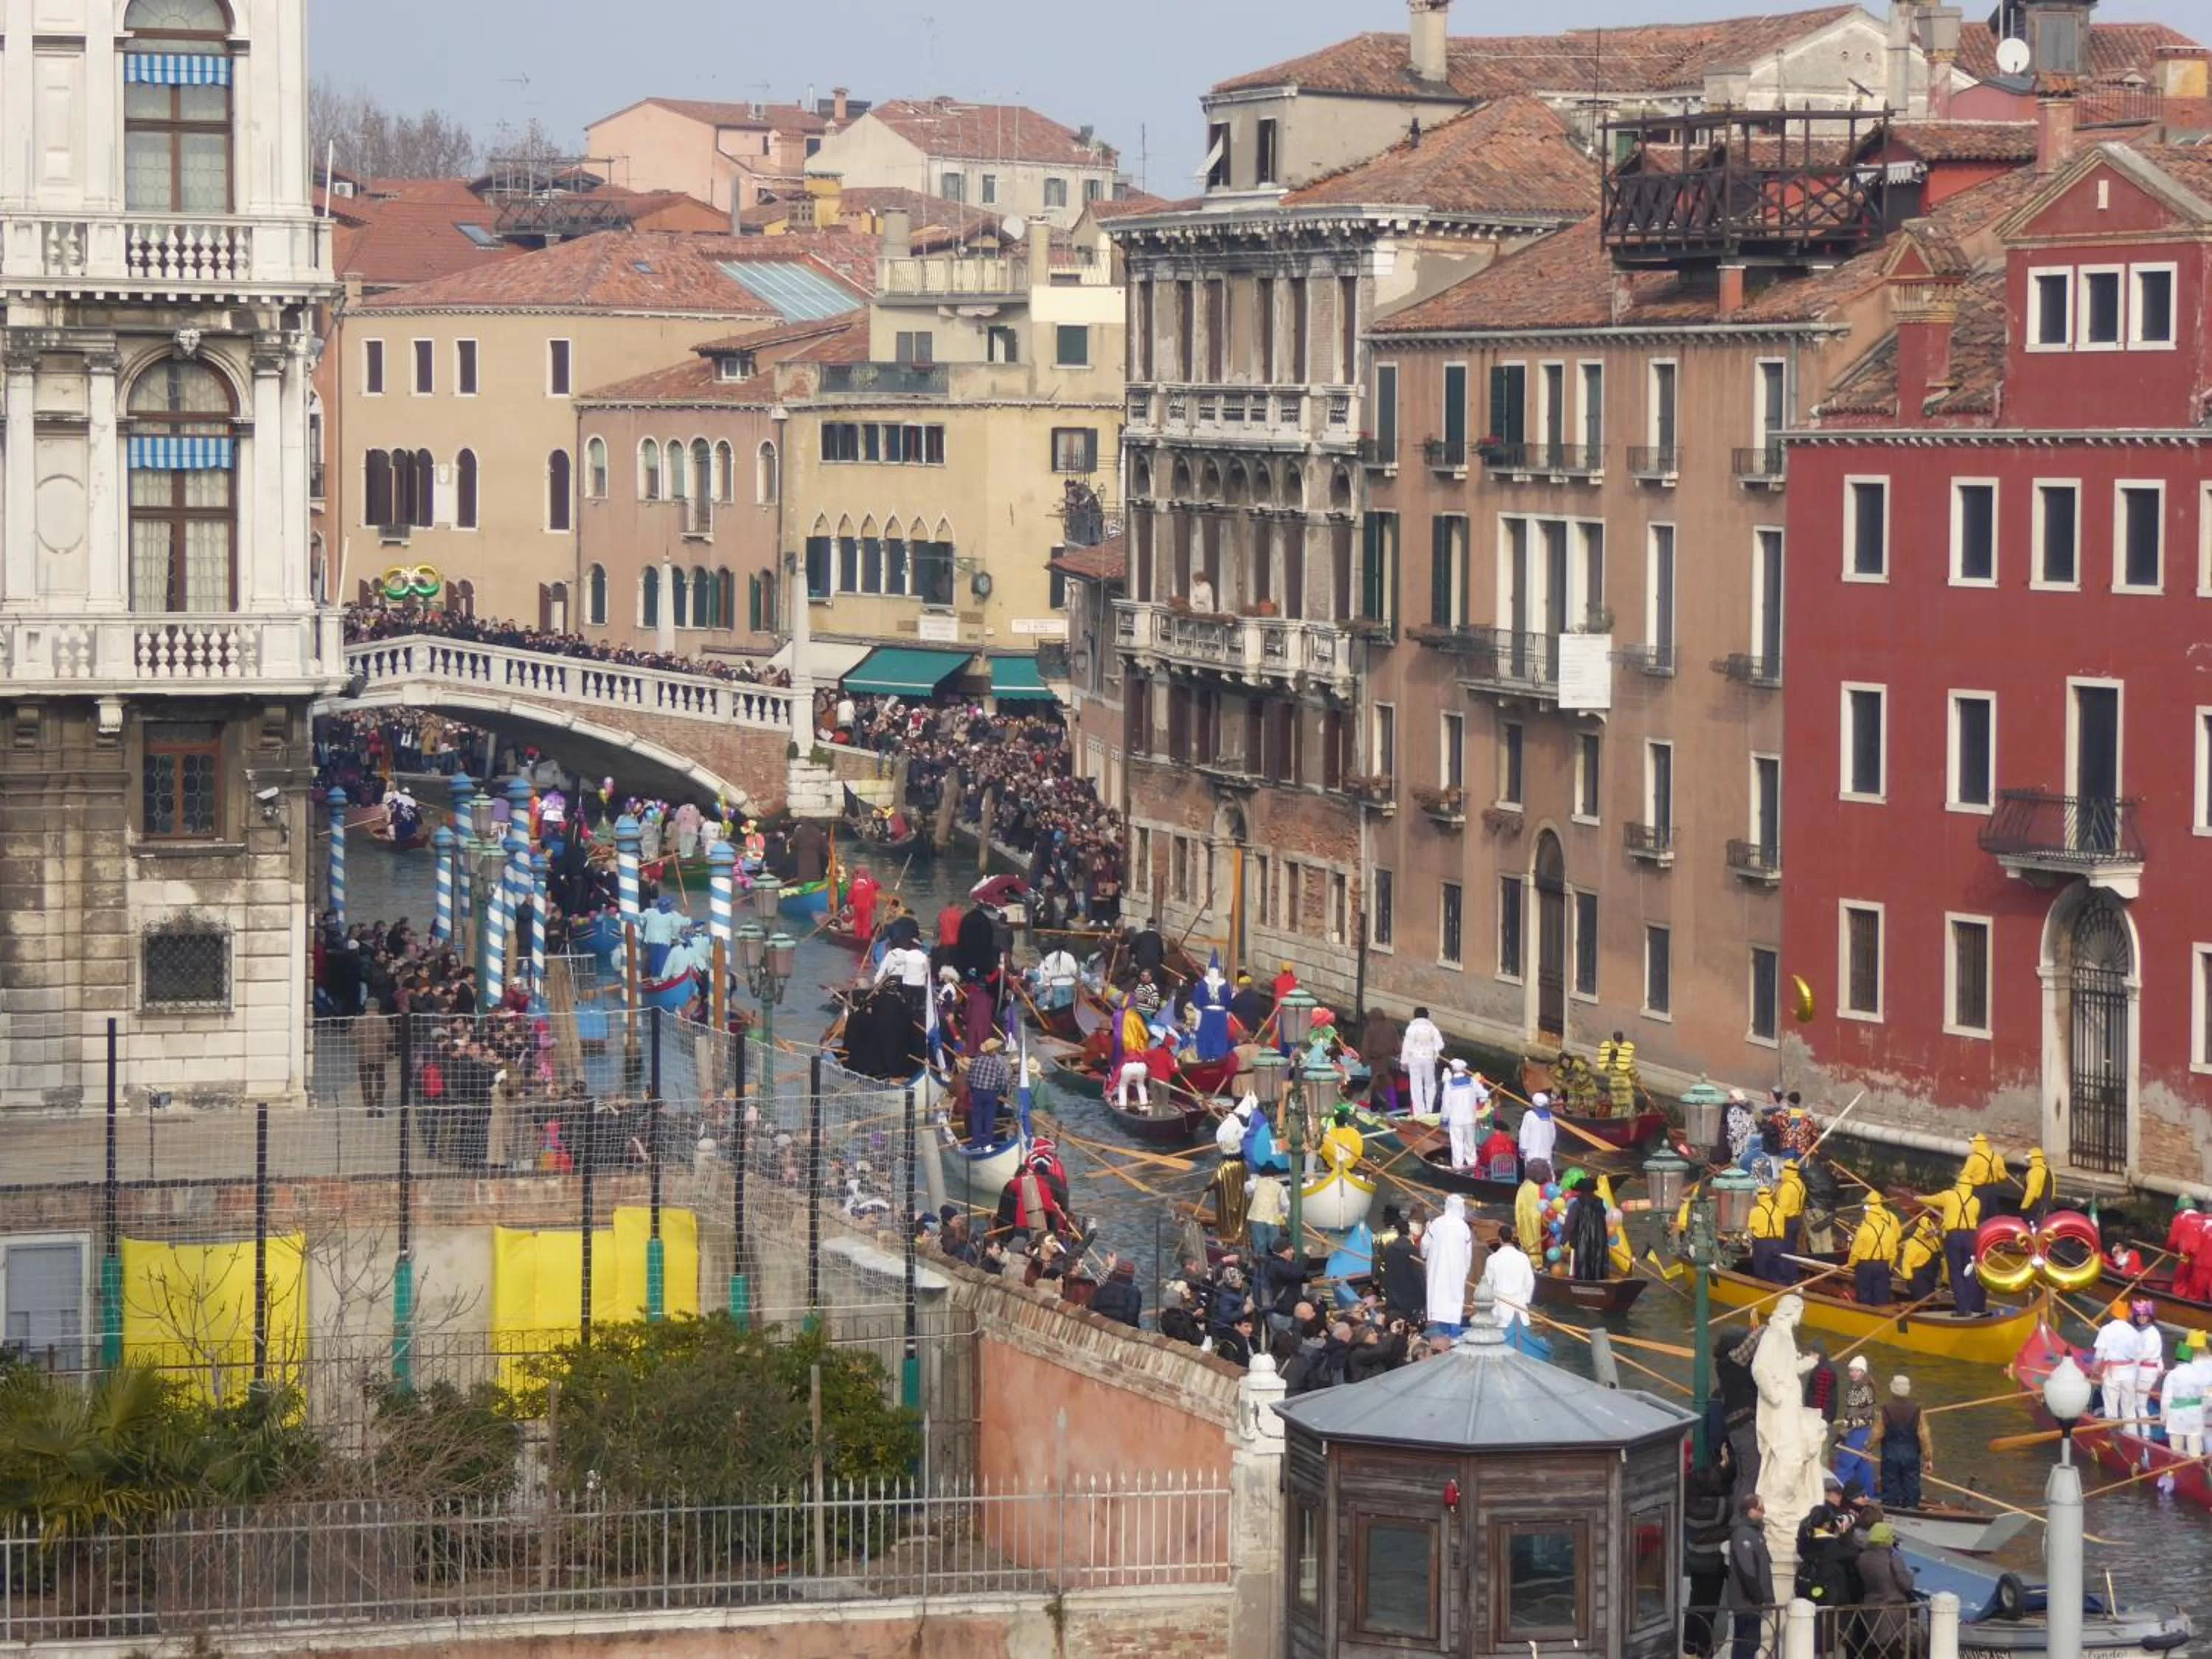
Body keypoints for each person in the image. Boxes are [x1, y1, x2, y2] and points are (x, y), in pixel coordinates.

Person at [1683, 1446, 1735, 1659]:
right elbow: (1730, 1514)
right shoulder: (1718, 1506)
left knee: (1695, 1604)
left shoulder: (1690, 1503)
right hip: (1712, 1563)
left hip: (1695, 1560)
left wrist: (1722, 1464)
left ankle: (1689, 1649)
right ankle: (1705, 1651)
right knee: (1708, 1609)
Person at [1720, 1492, 1775, 1659]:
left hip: (1751, 1600)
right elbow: (1747, 1569)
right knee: (1747, 1644)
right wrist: (1758, 1597)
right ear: (1749, 1510)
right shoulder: (1744, 1533)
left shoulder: (1754, 1533)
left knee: (1749, 1644)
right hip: (1747, 1601)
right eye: (1759, 1509)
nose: (1763, 1513)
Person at [1853, 1523, 1918, 1657]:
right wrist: (1910, 1574)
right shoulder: (1892, 1557)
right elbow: (1906, 1584)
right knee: (1894, 1649)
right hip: (1894, 1610)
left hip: (1871, 1607)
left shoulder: (1862, 1558)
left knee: (1875, 1648)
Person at [1872, 1374, 1933, 1509]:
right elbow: (1924, 1436)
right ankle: (1911, 1509)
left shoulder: (1885, 1410)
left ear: (1892, 1389)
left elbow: (1877, 1433)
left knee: (1890, 1484)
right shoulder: (1917, 1410)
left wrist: (1867, 1448)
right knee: (1911, 1484)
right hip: (1911, 1454)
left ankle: (1890, 1509)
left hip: (1890, 1454)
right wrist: (1928, 1458)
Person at [1422, 1193, 1475, 1338]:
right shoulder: (1464, 1227)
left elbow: (1425, 1245)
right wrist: (1465, 1270)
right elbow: (1468, 1255)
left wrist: (1425, 1257)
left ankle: (1443, 1333)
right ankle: (1453, 1335)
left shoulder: (1436, 1223)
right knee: (1455, 1301)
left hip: (1437, 1269)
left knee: (1439, 1300)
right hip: (1457, 1271)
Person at [1930, 1178, 1984, 1315]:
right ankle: (1972, 1307)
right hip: (1970, 1237)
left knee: (1956, 1273)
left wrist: (1918, 1198)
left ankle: (1963, 1309)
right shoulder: (1976, 1201)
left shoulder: (1949, 1196)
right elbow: (1976, 1215)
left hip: (1954, 1236)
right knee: (1969, 1272)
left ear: (1958, 1185)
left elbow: (1933, 1199)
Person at [1834, 1354, 1879, 1492]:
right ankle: (1869, 1495)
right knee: (1862, 1464)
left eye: (1857, 1371)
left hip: (1856, 1431)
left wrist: (1842, 1435)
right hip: (1867, 1430)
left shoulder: (1857, 1390)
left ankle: (1837, 1492)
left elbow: (1851, 1416)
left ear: (1863, 1372)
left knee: (1844, 1463)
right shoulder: (1869, 1386)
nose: (1853, 1374)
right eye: (1851, 1370)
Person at [1847, 1192, 1899, 1306]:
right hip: (1883, 1265)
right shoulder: (1890, 1228)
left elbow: (1856, 1251)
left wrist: (1851, 1264)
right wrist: (1889, 1266)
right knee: (1882, 1296)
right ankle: (1880, 1314)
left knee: (1864, 1295)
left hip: (1866, 1265)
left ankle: (1865, 1316)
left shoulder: (1864, 1230)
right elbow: (1893, 1252)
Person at [1478, 1231, 1537, 1330]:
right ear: (1512, 1238)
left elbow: (1487, 1285)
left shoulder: (1492, 1259)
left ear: (1500, 1239)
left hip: (1499, 1312)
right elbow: (1530, 1282)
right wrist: (1526, 1300)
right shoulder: (1523, 1258)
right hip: (1520, 1310)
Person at [964, 1037, 1012, 1148]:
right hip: (991, 1094)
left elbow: (969, 1078)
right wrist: (997, 1092)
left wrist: (973, 1089)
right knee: (989, 1119)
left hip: (977, 1093)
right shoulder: (998, 1065)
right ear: (994, 1050)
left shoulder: (976, 1061)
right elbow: (1002, 1082)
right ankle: (988, 1143)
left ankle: (976, 1143)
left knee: (977, 1118)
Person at [2162, 1337, 2206, 1456]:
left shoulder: (2172, 1375)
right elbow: (2203, 1395)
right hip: (2195, 1415)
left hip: (2177, 1416)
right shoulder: (2198, 1374)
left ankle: (2178, 1471)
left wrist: (2163, 1417)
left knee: (2176, 1450)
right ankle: (2197, 1468)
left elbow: (2166, 1399)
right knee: (2195, 1449)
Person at [1399, 1007, 1444, 1117]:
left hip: (1414, 1059)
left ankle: (1419, 1113)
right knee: (1430, 1084)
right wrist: (1435, 1051)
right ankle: (1430, 1109)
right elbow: (1440, 1044)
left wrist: (1404, 1063)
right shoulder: (1432, 1028)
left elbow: (1406, 1047)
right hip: (1429, 1059)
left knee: (1416, 1086)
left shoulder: (1411, 1028)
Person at [1440, 1059, 1484, 1169]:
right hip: (1470, 1118)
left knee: (1457, 1144)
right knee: (1470, 1143)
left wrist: (1444, 1121)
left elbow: (1446, 1105)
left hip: (1456, 1121)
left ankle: (1458, 1166)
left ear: (1453, 1070)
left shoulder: (1449, 1085)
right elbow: (1484, 1094)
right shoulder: (1472, 1082)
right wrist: (1482, 1099)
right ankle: (1472, 1164)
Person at [1566, 1177, 1610, 1282]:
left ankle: (1584, 1283)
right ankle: (1600, 1281)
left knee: (1583, 1264)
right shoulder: (1600, 1204)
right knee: (1598, 1262)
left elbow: (1570, 1224)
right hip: (1599, 1240)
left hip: (1582, 1241)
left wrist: (1565, 1239)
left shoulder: (1576, 1205)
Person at [1748, 1181, 1792, 1284]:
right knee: (1779, 1270)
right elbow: (1782, 1228)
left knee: (1761, 1272)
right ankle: (1779, 1291)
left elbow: (1749, 1229)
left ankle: (1762, 1292)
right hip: (1778, 1243)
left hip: (1762, 1244)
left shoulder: (1755, 1211)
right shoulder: (1779, 1210)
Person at [1960, 1131, 2010, 1219]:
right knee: (1992, 1214)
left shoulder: (1973, 1158)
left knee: (1978, 1214)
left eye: (1972, 1143)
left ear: (1976, 1144)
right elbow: (2003, 1176)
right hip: (1993, 1189)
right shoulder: (1997, 1157)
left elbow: (1965, 1175)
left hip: (1978, 1190)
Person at [1898, 1206, 1944, 1301]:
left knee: (1929, 1296)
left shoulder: (1934, 1239)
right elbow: (1906, 1262)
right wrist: (1908, 1278)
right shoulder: (1913, 1243)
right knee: (1921, 1297)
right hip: (1918, 1276)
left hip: (1931, 1275)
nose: (1929, 1234)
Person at [1091, 1253, 1141, 1328]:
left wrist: (1107, 1268)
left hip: (1099, 1321)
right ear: (1132, 1276)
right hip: (1120, 1325)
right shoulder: (1134, 1292)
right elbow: (1132, 1316)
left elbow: (1092, 1303)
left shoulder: (1104, 1284)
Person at [1517, 1091, 1557, 1171]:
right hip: (1546, 1154)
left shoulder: (1529, 1115)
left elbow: (1524, 1134)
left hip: (1532, 1155)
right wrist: (1549, 1147)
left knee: (1533, 1178)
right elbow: (1553, 1135)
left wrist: (1522, 1151)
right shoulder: (1550, 1116)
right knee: (1547, 1176)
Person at [1775, 1159, 1807, 1253]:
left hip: (1786, 1220)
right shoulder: (1800, 1184)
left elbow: (1782, 1209)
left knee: (1784, 1248)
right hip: (1797, 1218)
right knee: (1792, 1247)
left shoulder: (1787, 1187)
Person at [2020, 1145, 2053, 1225]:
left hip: (2035, 1206)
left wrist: (2024, 1206)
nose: (2028, 1162)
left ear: (2034, 1159)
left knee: (2031, 1227)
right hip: (2047, 1206)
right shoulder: (2048, 1171)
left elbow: (2031, 1191)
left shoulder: (2034, 1172)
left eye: (2029, 1160)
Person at [1514, 1169, 1545, 1254]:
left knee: (1530, 1237)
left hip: (1528, 1218)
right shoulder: (1545, 1188)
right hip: (1540, 1218)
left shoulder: (1524, 1187)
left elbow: (1518, 1210)